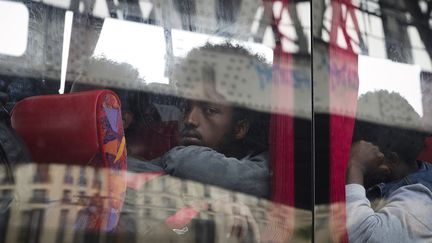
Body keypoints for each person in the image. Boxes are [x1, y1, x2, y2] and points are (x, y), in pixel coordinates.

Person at [128, 43, 271, 199]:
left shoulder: (267, 167)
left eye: (209, 110)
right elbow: (126, 170)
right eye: (186, 108)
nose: (190, 120)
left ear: (240, 128)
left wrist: (180, 158)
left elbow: (255, 180)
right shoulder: (172, 157)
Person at [346, 90, 432, 242]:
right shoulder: (395, 181)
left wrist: (356, 167)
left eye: (359, 153)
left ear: (391, 159)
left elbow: (364, 236)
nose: (351, 157)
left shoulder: (420, 202)